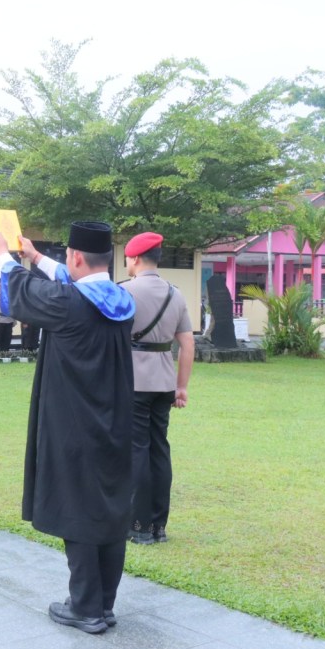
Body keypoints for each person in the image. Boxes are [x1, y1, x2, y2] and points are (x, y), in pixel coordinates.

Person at [0, 221, 135, 635]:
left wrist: (3, 254)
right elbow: (69, 284)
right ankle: (104, 603)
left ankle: (85, 607)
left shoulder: (67, 304)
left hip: (74, 425)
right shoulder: (121, 298)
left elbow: (25, 294)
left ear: (76, 257)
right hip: (114, 424)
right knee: (108, 508)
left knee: (79, 510)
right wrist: (35, 257)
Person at [122, 232, 194, 546]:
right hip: (164, 381)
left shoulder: (123, 292)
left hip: (134, 381)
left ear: (135, 258)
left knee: (136, 450)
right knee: (159, 450)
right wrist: (181, 386)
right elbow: (188, 344)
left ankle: (138, 525)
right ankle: (158, 527)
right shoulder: (175, 295)